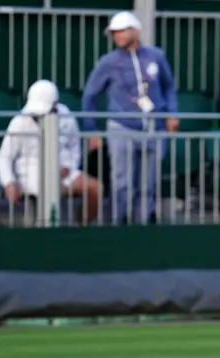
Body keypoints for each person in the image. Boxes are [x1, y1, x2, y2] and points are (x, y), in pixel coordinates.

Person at [81, 11, 179, 225]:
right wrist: (92, 129)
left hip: (154, 126)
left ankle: (143, 224)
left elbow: (169, 86)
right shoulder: (108, 62)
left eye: (120, 32)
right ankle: (118, 224)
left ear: (135, 30)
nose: (116, 37)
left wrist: (172, 112)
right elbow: (89, 95)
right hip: (121, 127)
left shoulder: (155, 55)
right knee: (122, 182)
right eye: (114, 33)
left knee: (148, 183)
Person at [0, 80, 100, 225]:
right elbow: (4, 157)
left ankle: (80, 227)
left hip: (63, 173)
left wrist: (69, 167)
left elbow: (74, 147)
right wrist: (9, 182)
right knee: (47, 193)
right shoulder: (19, 121)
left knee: (95, 188)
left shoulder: (66, 116)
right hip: (30, 174)